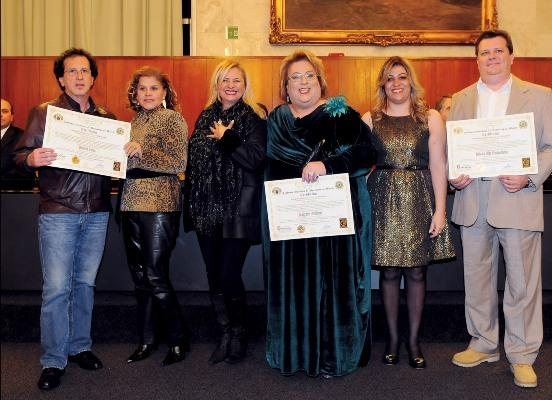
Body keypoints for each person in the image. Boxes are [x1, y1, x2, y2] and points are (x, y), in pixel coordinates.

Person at [449, 30, 552, 388]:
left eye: (497, 51)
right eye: (483, 52)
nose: (491, 57)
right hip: (473, 200)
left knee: (522, 283)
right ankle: (483, 343)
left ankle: (522, 354)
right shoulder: (460, 100)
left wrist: (528, 176)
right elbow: (451, 152)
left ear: (512, 56)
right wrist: (454, 177)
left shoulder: (540, 97)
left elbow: (550, 147)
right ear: (476, 60)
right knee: (476, 279)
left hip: (517, 199)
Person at [262, 50, 375, 378]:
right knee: (295, 286)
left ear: (320, 81)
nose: (303, 82)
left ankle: (330, 356)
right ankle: (296, 355)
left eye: (309, 75)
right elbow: (266, 167)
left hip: (331, 224)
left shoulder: (339, 112)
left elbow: (368, 152)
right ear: (285, 86)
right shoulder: (276, 121)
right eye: (295, 77)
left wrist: (327, 165)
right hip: (292, 224)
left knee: (331, 287)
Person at [13, 48, 116, 391]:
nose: (79, 76)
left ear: (93, 76)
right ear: (61, 78)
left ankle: (79, 347)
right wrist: (31, 159)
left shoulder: (106, 117)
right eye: (72, 71)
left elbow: (114, 164)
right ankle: (53, 360)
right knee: (57, 289)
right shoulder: (45, 113)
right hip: (58, 211)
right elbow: (20, 155)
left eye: (85, 71)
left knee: (85, 285)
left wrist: (127, 154)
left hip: (97, 212)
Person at [362, 56, 455, 370]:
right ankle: (392, 340)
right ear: (382, 84)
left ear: (411, 82)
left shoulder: (430, 118)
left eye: (402, 77)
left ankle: (413, 341)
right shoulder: (369, 119)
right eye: (390, 78)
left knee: (416, 271)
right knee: (388, 272)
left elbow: (439, 164)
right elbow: (358, 165)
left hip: (419, 197)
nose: (396, 83)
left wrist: (440, 210)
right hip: (382, 199)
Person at [183, 60, 267, 365]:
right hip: (206, 210)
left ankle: (239, 335)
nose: (231, 85)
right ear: (216, 85)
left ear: (245, 86)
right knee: (214, 276)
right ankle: (225, 332)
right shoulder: (205, 116)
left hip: (238, 211)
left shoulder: (254, 118)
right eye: (225, 80)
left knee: (229, 274)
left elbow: (257, 159)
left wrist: (227, 138)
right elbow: (194, 163)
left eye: (237, 81)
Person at [120, 66, 189, 366]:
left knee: (155, 275)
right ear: (135, 93)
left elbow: (178, 161)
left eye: (154, 88)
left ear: (165, 92)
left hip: (160, 203)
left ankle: (177, 340)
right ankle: (147, 340)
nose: (147, 93)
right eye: (142, 88)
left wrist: (141, 152)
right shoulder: (132, 122)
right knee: (139, 277)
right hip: (130, 203)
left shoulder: (172, 118)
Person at [1, 98, 36, 189]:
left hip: (13, 192)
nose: (0, 115)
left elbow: (23, 167)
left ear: (12, 117)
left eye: (4, 111)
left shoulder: (23, 136)